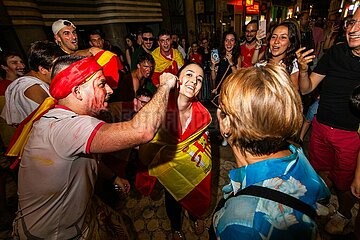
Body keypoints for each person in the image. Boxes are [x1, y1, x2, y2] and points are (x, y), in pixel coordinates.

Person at [8, 52, 177, 239]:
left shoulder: (66, 118)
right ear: (77, 91)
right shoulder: (65, 126)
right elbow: (142, 131)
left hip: (80, 215)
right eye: (101, 84)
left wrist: (112, 177)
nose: (110, 90)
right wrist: (164, 86)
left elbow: (84, 158)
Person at [211, 63, 330, 239]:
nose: (218, 109)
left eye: (221, 105)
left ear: (227, 124)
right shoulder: (296, 155)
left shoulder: (241, 222)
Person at [296, 8, 360, 235]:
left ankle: (344, 213)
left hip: (350, 135)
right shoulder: (336, 52)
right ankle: (324, 201)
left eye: (359, 24)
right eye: (351, 22)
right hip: (321, 126)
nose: (352, 29)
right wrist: (304, 70)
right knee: (319, 171)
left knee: (346, 184)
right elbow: (307, 88)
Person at [136, 62, 212, 240]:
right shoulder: (159, 110)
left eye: (199, 79)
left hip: (192, 168)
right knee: (172, 198)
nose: (194, 81)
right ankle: (176, 227)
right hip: (169, 170)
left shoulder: (203, 115)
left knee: (194, 193)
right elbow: (144, 157)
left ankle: (194, 216)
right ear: (177, 79)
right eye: (189, 75)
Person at [1, 41, 64, 126]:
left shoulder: (35, 81)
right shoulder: (33, 88)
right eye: (58, 68)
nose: (62, 72)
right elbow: (53, 122)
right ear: (42, 69)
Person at [211, 31, 241, 147]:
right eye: (226, 40)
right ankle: (224, 135)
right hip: (220, 89)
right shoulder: (219, 55)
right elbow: (214, 78)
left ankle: (231, 135)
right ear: (223, 42)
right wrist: (213, 66)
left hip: (232, 89)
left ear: (235, 43)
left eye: (232, 40)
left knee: (231, 114)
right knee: (221, 114)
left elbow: (238, 75)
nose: (229, 43)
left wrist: (231, 62)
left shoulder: (237, 56)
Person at [253, 21, 301, 90]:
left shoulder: (293, 65)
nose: (276, 41)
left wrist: (283, 76)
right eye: (273, 37)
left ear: (290, 43)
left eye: (283, 37)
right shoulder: (261, 63)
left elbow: (294, 94)